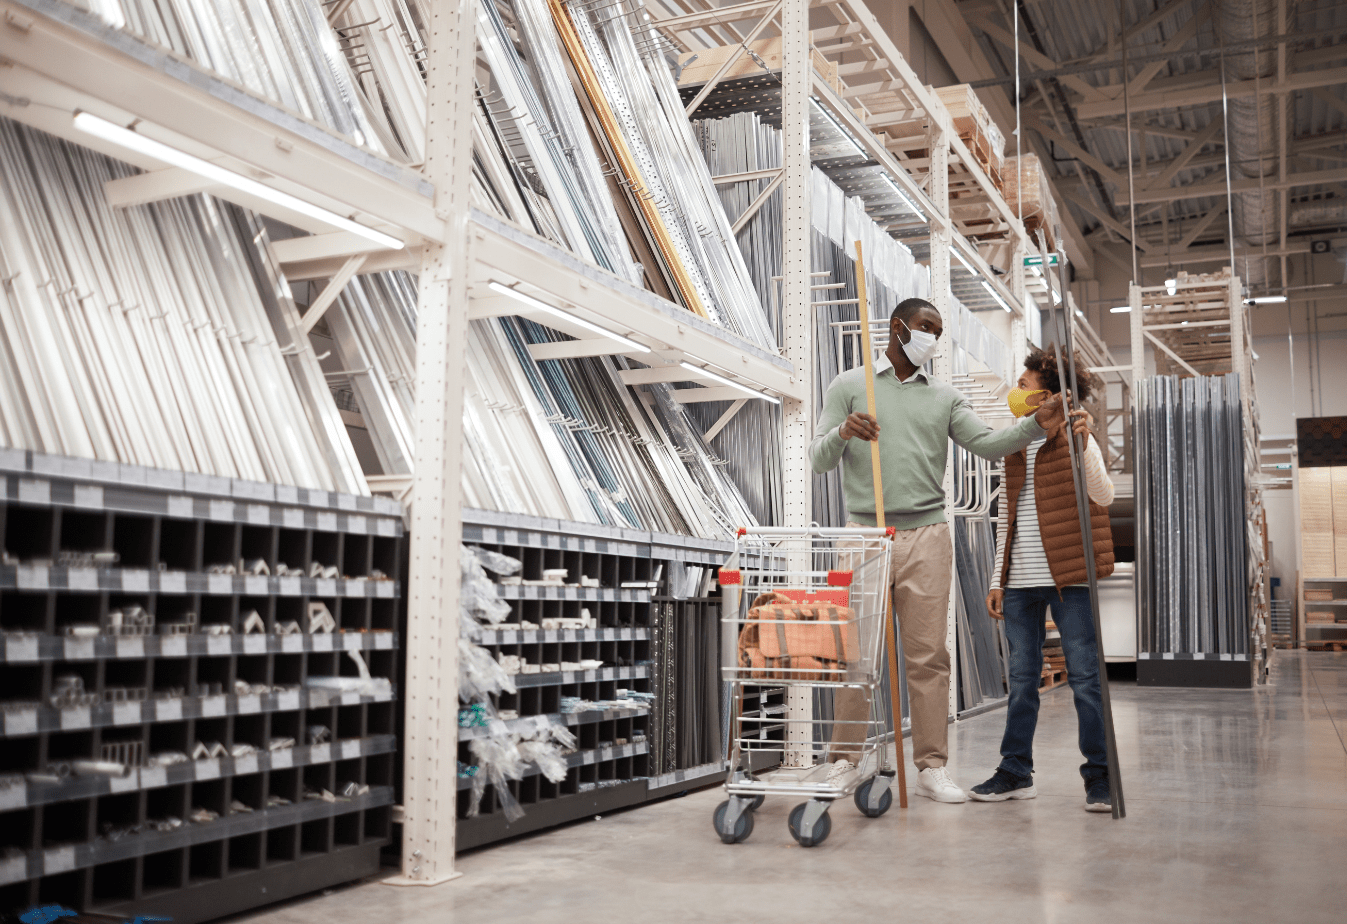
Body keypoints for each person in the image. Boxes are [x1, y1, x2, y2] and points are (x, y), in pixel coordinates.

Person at [810, 298, 1065, 804]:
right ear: (898, 328)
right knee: (855, 655)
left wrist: (1037, 426)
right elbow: (818, 460)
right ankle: (844, 759)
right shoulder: (848, 386)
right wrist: (843, 432)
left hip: (927, 535)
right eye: (927, 328)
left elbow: (989, 445)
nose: (933, 338)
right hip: (864, 535)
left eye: (939, 331)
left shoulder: (944, 397)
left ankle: (932, 766)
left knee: (928, 656)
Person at [969, 347, 1116, 813]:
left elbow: (1103, 495)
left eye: (1025, 384)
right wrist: (997, 578)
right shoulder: (1017, 440)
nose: (1018, 390)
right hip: (1018, 582)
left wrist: (1082, 444)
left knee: (1087, 679)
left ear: (1048, 393)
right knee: (1022, 679)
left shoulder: (1077, 435)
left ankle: (1100, 778)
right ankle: (1015, 772)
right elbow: (1007, 515)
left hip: (1067, 578)